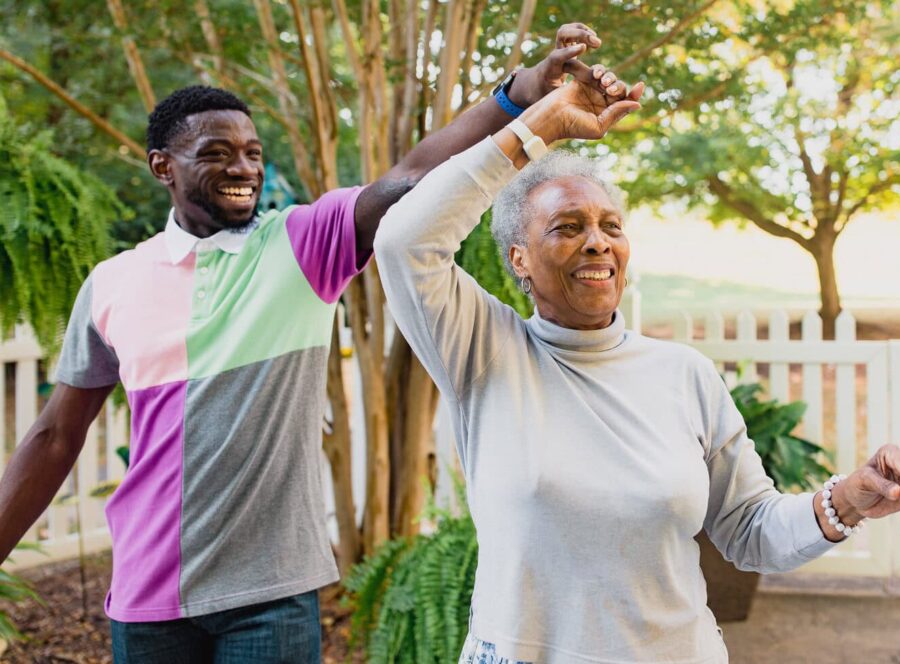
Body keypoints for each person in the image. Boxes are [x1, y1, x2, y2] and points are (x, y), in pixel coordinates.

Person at [0, 23, 611, 663]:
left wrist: (521, 96)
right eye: (216, 153)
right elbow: (55, 437)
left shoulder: (299, 244)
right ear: (163, 167)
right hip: (149, 600)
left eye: (253, 152)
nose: (243, 168)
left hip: (271, 599)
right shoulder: (111, 284)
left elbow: (411, 177)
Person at [374, 65, 900, 663]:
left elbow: (749, 531)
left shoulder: (683, 374)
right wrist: (539, 126)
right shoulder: (484, 351)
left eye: (610, 226)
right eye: (567, 227)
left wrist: (846, 499)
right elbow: (403, 241)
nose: (597, 242)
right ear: (519, 258)